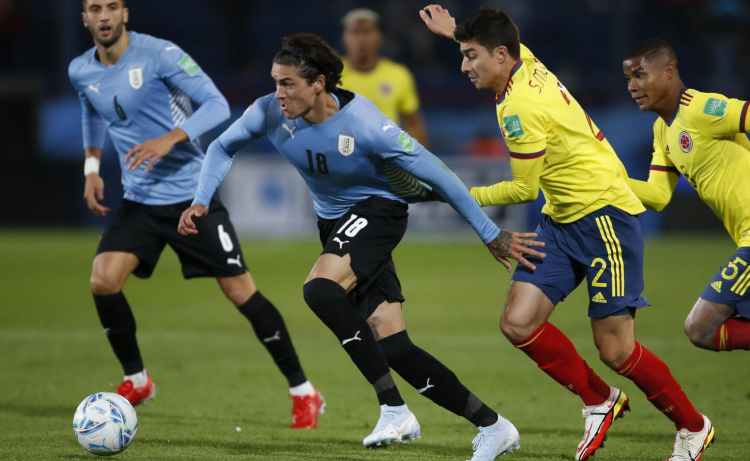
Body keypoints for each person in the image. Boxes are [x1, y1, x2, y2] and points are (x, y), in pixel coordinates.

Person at [178, 32, 544, 460]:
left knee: (320, 289)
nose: (278, 93)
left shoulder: (367, 125)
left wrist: (489, 232)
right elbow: (221, 146)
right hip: (335, 223)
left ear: (318, 83)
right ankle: (494, 426)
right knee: (395, 346)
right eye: (275, 82)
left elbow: (440, 175)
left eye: (288, 83)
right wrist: (201, 200)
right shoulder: (268, 112)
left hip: (379, 210)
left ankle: (392, 407)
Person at [420, 6, 714, 461]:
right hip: (561, 220)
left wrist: (456, 193)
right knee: (518, 322)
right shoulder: (525, 62)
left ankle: (693, 427)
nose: (464, 67)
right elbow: (502, 39)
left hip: (605, 219)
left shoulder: (520, 108)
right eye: (463, 55)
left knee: (616, 350)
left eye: (471, 56)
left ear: (501, 56)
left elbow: (523, 189)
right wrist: (455, 32)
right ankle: (599, 400)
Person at [69, 0, 323, 428]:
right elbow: (90, 111)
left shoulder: (160, 55)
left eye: (112, 6)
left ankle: (304, 391)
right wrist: (91, 168)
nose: (104, 16)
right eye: (95, 8)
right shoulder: (80, 70)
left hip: (191, 197)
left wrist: (169, 139)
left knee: (241, 293)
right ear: (85, 18)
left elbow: (216, 105)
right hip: (139, 199)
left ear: (125, 13)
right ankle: (138, 380)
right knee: (103, 280)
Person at [623, 39, 750, 360]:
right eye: (628, 79)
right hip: (744, 238)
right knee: (702, 330)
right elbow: (657, 195)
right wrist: (602, 180)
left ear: (668, 72)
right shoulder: (662, 130)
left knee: (701, 327)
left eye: (640, 75)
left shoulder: (701, 108)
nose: (632, 86)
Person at [340, 8, 428, 146]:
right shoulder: (330, 74)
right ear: (344, 37)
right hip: (343, 153)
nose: (361, 39)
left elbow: (414, 125)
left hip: (387, 154)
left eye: (367, 32)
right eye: (355, 32)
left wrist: (417, 155)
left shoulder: (398, 75)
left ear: (379, 36)